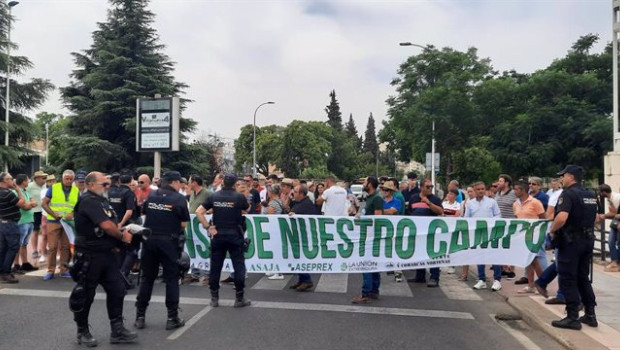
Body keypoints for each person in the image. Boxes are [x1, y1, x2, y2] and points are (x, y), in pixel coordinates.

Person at [71, 171, 137, 346]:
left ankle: (117, 330)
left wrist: (120, 234)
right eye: (104, 184)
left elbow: (112, 224)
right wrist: (122, 237)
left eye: (108, 184)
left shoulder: (102, 201)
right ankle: (82, 331)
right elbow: (107, 226)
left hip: (107, 254)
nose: (108, 186)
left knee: (118, 290)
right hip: (89, 256)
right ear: (91, 185)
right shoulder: (88, 201)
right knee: (85, 295)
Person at [135, 171, 189, 330]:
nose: (181, 185)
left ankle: (140, 316)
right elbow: (184, 224)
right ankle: (172, 318)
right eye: (180, 182)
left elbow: (144, 213)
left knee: (147, 278)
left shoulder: (151, 196)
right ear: (174, 182)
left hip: (150, 241)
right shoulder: (179, 199)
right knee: (171, 279)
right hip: (169, 242)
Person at [549, 165, 598, 330]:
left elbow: (561, 218)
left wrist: (552, 230)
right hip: (588, 240)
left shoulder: (568, 194)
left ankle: (572, 317)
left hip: (571, 243)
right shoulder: (591, 194)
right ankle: (590, 314)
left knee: (568, 278)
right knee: (583, 277)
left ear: (570, 176)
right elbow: (596, 218)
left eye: (562, 176)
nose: (561, 179)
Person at [196, 173, 251, 308]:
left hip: (218, 235)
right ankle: (239, 298)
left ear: (223, 182)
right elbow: (247, 209)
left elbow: (199, 211)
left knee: (216, 267)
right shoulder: (239, 197)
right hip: (235, 236)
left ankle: (214, 298)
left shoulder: (214, 196)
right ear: (234, 184)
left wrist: (208, 227)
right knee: (238, 266)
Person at [41, 169, 79, 280]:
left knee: (65, 247)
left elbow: (78, 206)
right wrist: (53, 214)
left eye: (71, 179)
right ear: (62, 178)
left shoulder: (76, 190)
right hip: (54, 221)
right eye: (67, 178)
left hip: (68, 223)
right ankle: (50, 271)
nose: (69, 181)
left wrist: (72, 213)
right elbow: (44, 204)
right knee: (52, 247)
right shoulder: (54, 188)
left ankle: (64, 269)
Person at [464, 181, 502, 291]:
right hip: (478, 233)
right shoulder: (470, 203)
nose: (481, 191)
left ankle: (497, 280)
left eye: (482, 189)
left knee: (494, 255)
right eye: (478, 189)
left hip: (491, 232)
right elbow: (467, 218)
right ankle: (482, 279)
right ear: (475, 191)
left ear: (485, 190)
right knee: (480, 255)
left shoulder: (492, 202)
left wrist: (490, 222)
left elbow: (498, 215)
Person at [352, 176, 384, 304]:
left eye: (365, 182)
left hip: (372, 236)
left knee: (367, 264)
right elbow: (361, 210)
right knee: (372, 264)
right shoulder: (366, 196)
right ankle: (373, 291)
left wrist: (363, 217)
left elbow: (378, 218)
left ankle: (366, 293)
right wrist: (356, 212)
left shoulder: (377, 198)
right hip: (365, 235)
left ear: (370, 184)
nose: (363, 184)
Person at [408, 178, 444, 287]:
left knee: (432, 254)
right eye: (428, 187)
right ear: (421, 187)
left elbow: (440, 211)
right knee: (419, 253)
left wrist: (429, 203)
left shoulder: (435, 199)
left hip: (431, 232)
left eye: (431, 187)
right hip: (418, 232)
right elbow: (410, 212)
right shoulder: (414, 198)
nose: (430, 189)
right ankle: (420, 276)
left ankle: (434, 277)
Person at [512, 181, 547, 294]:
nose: (514, 191)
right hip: (523, 235)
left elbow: (543, 218)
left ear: (522, 190)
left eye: (516, 189)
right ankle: (531, 285)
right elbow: (516, 218)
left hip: (535, 234)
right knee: (528, 260)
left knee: (536, 260)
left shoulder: (535, 202)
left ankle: (542, 284)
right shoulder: (516, 203)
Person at [0, 172, 29, 283]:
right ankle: (6, 272)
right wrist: (17, 190)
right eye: (10, 178)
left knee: (3, 248)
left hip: (2, 223)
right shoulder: (8, 193)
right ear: (5, 181)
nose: (13, 180)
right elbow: (23, 204)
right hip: (11, 224)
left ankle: (2, 271)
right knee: (13, 247)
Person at [288, 184, 318, 291]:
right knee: (297, 257)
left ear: (301, 194)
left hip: (303, 236)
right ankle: (302, 279)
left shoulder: (305, 204)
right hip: (299, 235)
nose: (293, 193)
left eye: (295, 192)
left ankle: (306, 280)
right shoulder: (301, 202)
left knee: (301, 257)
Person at [12, 174, 38, 274]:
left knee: (24, 244)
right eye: (27, 180)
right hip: (21, 221)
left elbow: (32, 202)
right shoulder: (15, 192)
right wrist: (30, 204)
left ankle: (25, 263)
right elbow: (24, 206)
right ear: (23, 181)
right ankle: (16, 265)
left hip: (29, 220)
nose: (29, 182)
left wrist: (30, 204)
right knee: (18, 244)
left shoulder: (26, 191)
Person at [598, 184, 620, 272]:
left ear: (603, 192)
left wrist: (604, 216)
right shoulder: (609, 199)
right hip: (616, 222)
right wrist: (604, 216)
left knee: (618, 243)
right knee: (611, 241)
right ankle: (614, 261)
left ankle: (617, 263)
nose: (599, 194)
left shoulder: (617, 197)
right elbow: (613, 213)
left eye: (600, 192)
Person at [28, 170, 47, 262]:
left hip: (45, 211)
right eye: (42, 177)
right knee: (35, 230)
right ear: (36, 178)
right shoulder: (30, 186)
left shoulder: (45, 185)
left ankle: (44, 248)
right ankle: (35, 250)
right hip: (35, 211)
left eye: (44, 177)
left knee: (45, 231)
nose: (44, 179)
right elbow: (25, 196)